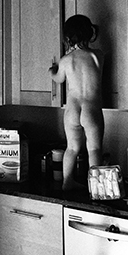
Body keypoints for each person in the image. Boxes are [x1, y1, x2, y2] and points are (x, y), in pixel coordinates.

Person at [49, 14, 104, 190]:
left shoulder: (66, 61)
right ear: (90, 34)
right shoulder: (97, 56)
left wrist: (52, 71)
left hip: (72, 109)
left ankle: (67, 182)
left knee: (71, 148)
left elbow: (58, 79)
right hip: (91, 109)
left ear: (66, 38)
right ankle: (95, 187)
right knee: (94, 150)